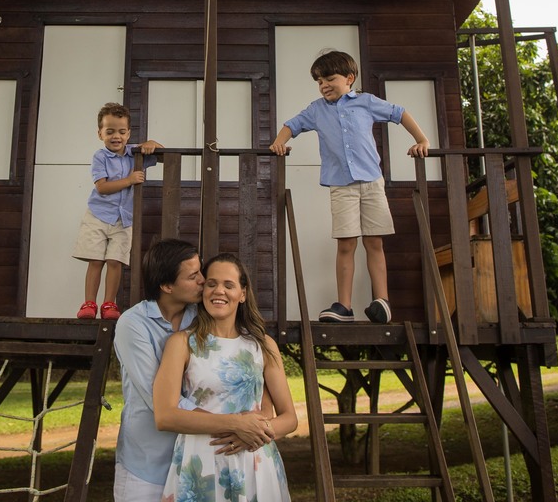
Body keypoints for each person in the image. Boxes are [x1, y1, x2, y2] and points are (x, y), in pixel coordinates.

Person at [269, 49, 429, 323]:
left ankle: (382, 301)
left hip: (371, 182)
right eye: (319, 81)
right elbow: (291, 125)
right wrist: (279, 142)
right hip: (341, 186)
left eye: (329, 78)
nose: (323, 85)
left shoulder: (366, 102)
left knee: (374, 242)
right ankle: (344, 306)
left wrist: (422, 140)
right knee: (346, 244)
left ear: (349, 78)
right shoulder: (316, 110)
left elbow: (399, 113)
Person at [154, 253, 297, 501]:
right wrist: (236, 424)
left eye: (228, 285)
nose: (219, 291)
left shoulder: (263, 345)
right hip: (201, 465)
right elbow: (165, 416)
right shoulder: (181, 343)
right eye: (211, 284)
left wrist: (256, 431)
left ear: (242, 293)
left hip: (254, 460)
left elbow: (290, 418)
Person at [113, 238, 204, 502]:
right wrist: (224, 424)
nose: (202, 280)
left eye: (200, 271)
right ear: (166, 286)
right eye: (193, 275)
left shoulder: (202, 317)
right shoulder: (133, 324)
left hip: (195, 461)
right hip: (146, 465)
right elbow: (159, 400)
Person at [72, 102, 161, 320]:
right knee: (96, 260)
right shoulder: (100, 157)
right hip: (99, 216)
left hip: (124, 219)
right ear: (100, 133)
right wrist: (129, 180)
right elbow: (102, 187)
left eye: (122, 132)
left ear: (128, 133)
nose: (116, 136)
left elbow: (159, 151)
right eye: (109, 131)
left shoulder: (134, 153)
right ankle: (89, 304)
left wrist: (150, 143)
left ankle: (109, 304)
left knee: (115, 261)